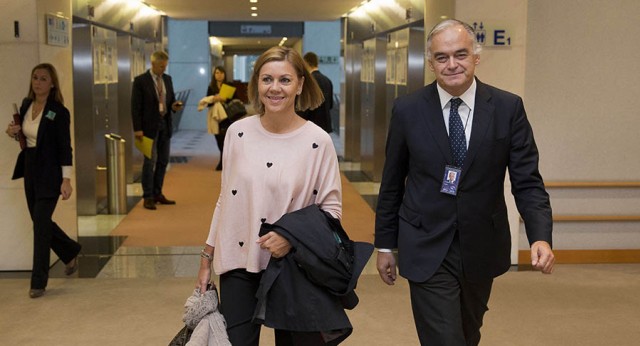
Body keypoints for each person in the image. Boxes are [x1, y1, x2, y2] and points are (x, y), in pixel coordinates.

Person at [375, 19, 555, 345]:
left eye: (460, 54)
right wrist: (386, 245)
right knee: (445, 339)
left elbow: (527, 181)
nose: (452, 64)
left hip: (481, 242)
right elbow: (391, 183)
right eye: (442, 57)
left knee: (468, 334)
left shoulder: (506, 107)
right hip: (425, 240)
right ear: (431, 63)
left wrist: (539, 235)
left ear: (476, 57)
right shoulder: (408, 110)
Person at [196, 46, 343, 345]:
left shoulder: (317, 141)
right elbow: (226, 199)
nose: (275, 88)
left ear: (300, 84)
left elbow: (332, 210)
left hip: (294, 266)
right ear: (257, 84)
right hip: (239, 260)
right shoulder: (237, 133)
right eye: (267, 79)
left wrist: (291, 237)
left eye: (285, 80)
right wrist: (206, 258)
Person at [5, 63, 82, 299]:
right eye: (35, 78)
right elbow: (26, 136)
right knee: (41, 221)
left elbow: (64, 148)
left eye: (43, 79)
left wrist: (66, 180)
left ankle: (38, 281)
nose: (38, 82)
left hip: (50, 174)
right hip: (30, 169)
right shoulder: (26, 105)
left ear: (52, 83)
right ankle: (69, 251)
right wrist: (13, 131)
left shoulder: (58, 111)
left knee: (40, 225)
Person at [131, 50, 183, 210]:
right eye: (161, 66)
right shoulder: (141, 81)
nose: (163, 69)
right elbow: (135, 106)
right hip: (147, 128)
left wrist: (174, 106)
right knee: (150, 162)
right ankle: (148, 196)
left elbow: (170, 99)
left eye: (165, 66)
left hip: (164, 124)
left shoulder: (167, 79)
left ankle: (157, 192)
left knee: (163, 161)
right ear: (153, 64)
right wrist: (137, 129)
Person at [206, 66, 234, 171]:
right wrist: (214, 99)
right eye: (217, 73)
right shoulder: (211, 87)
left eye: (221, 73)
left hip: (227, 116)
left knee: (225, 140)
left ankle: (223, 162)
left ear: (224, 74)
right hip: (216, 117)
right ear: (214, 75)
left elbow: (236, 99)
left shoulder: (229, 85)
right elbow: (207, 103)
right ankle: (223, 160)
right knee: (218, 139)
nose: (219, 75)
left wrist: (224, 99)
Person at [299, 52, 333, 133]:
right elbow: (331, 105)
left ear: (306, 63)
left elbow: (304, 106)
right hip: (325, 126)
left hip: (311, 126)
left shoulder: (308, 81)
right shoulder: (327, 80)